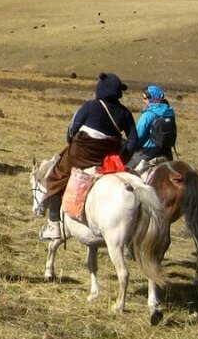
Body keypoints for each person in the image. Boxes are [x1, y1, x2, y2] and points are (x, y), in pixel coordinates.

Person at [39, 72, 138, 240]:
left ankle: (54, 224)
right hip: (107, 159)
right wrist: (121, 160)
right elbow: (133, 139)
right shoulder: (125, 113)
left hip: (80, 155)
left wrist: (72, 143)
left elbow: (72, 129)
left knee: (55, 176)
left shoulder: (90, 106)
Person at [127, 84, 176, 170]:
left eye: (145, 98)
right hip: (167, 151)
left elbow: (139, 135)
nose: (144, 100)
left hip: (148, 151)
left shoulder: (148, 114)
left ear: (152, 98)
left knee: (126, 167)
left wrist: (132, 148)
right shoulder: (169, 111)